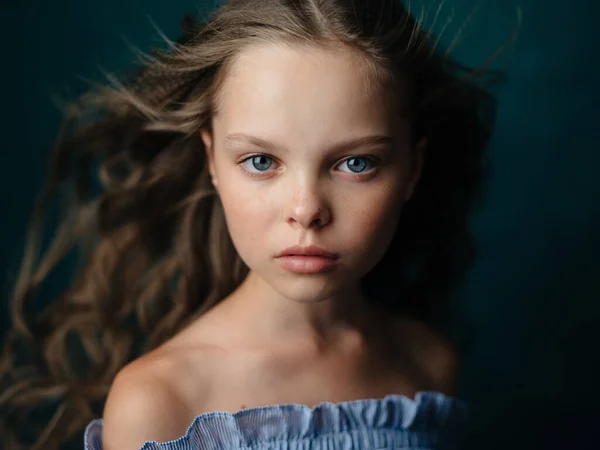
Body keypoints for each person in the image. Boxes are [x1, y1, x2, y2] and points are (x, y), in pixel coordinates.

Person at [0, 0, 516, 449]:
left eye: (356, 163)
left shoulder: (426, 368)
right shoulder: (158, 405)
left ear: (413, 169)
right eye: (261, 161)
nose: (306, 209)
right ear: (211, 161)